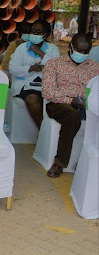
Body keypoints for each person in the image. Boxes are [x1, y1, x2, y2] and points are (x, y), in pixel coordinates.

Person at [42, 33, 99, 178]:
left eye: (86, 52)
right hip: (59, 104)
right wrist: (71, 101)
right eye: (80, 50)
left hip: (86, 106)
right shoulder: (54, 64)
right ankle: (60, 162)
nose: (83, 54)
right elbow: (48, 92)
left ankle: (88, 159)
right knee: (72, 116)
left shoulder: (95, 68)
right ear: (71, 46)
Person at [8, 20, 59, 128]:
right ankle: (43, 132)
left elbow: (57, 68)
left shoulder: (52, 49)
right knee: (32, 98)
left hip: (46, 84)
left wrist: (39, 52)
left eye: (38, 32)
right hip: (26, 83)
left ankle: (54, 131)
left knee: (55, 102)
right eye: (33, 31)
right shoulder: (21, 48)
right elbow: (12, 68)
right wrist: (30, 68)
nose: (34, 34)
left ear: (46, 35)